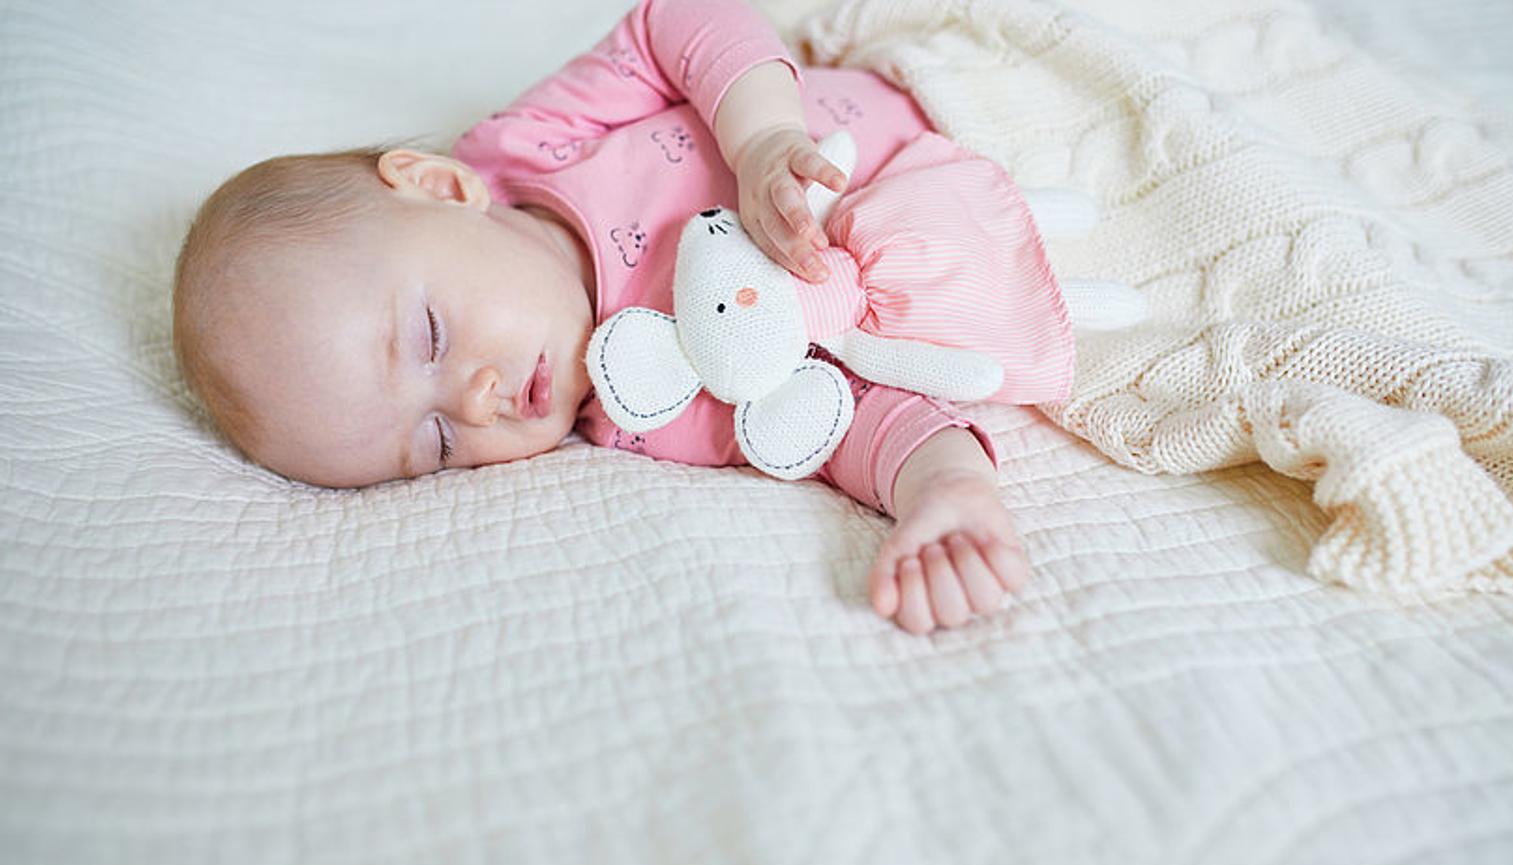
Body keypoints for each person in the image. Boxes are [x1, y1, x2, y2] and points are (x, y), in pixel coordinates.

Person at [172, 0, 1086, 635]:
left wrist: (762, 132)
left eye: (431, 339)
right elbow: (842, 417)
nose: (480, 399)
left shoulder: (532, 149)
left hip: (954, 69)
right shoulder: (639, 408)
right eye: (438, 441)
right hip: (1029, 216)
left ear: (441, 188)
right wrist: (947, 491)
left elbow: (675, 24)